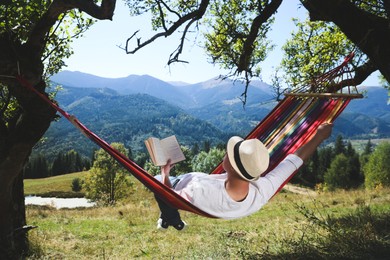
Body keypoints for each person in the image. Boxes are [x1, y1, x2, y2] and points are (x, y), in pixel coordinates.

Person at [154, 123, 333, 231]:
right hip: (207, 191)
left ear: (231, 166)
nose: (225, 154)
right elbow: (294, 160)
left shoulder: (202, 192)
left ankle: (170, 218)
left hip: (179, 183)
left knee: (155, 183)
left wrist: (165, 174)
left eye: (228, 154)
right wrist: (319, 136)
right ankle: (169, 218)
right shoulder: (262, 190)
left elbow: (168, 194)